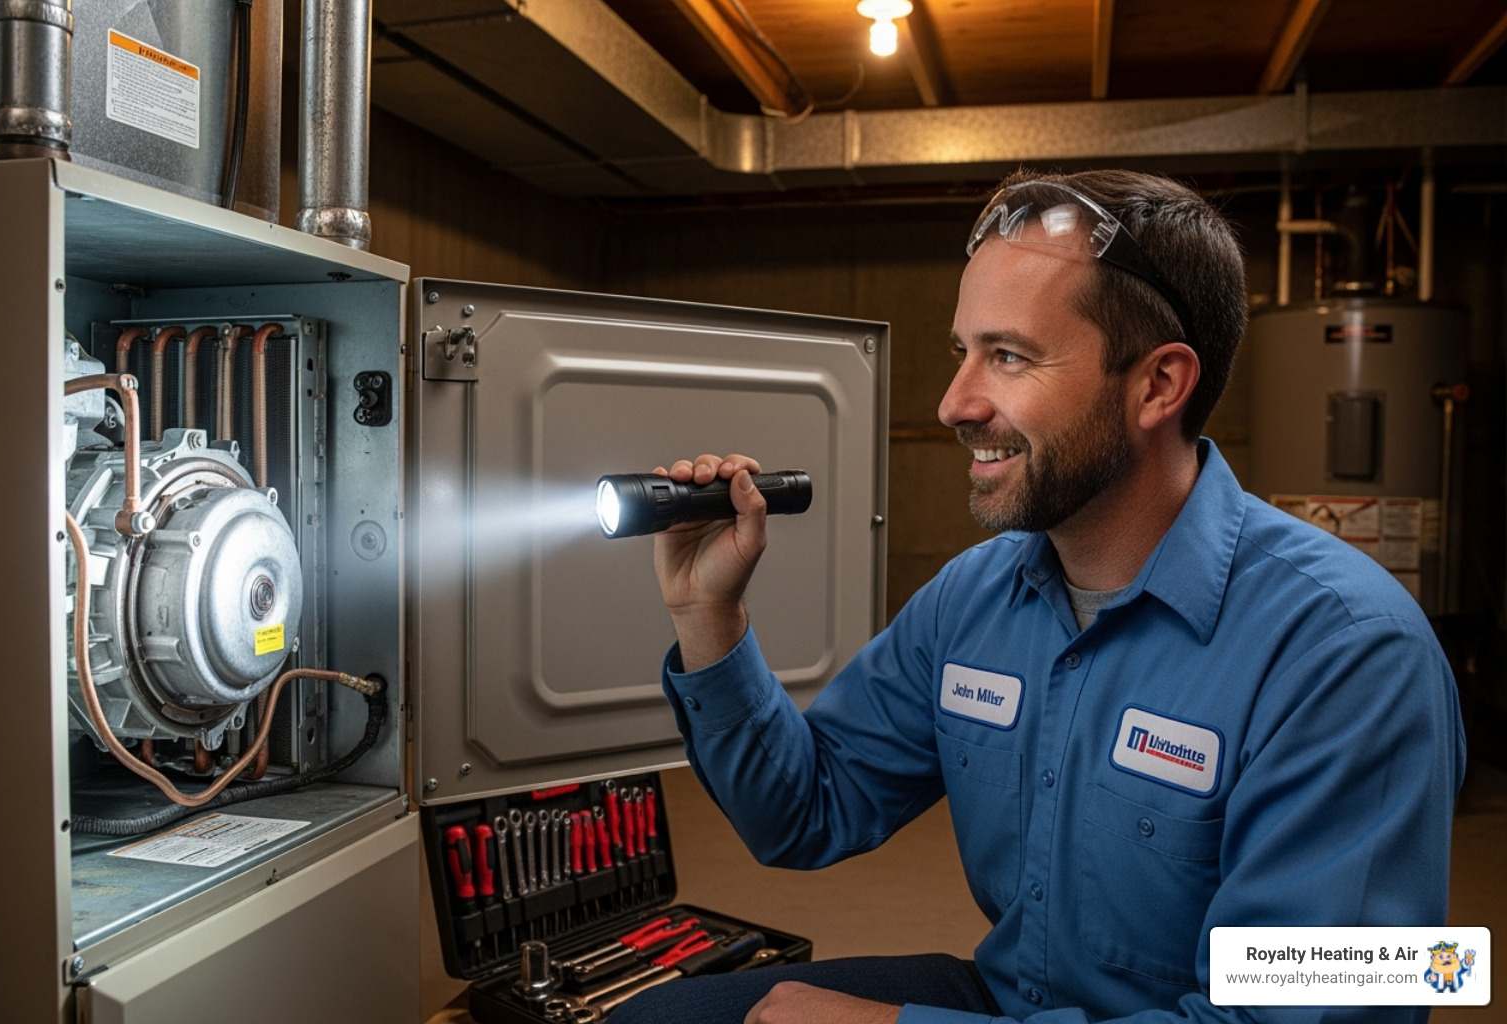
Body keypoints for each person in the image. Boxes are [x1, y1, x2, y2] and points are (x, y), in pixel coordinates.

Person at [610, 169, 1466, 1024]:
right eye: (963, 352)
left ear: (1159, 386)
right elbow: (804, 814)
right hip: (1016, 1000)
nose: (953, 404)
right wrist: (708, 618)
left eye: (1010, 357)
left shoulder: (1352, 654)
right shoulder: (973, 600)